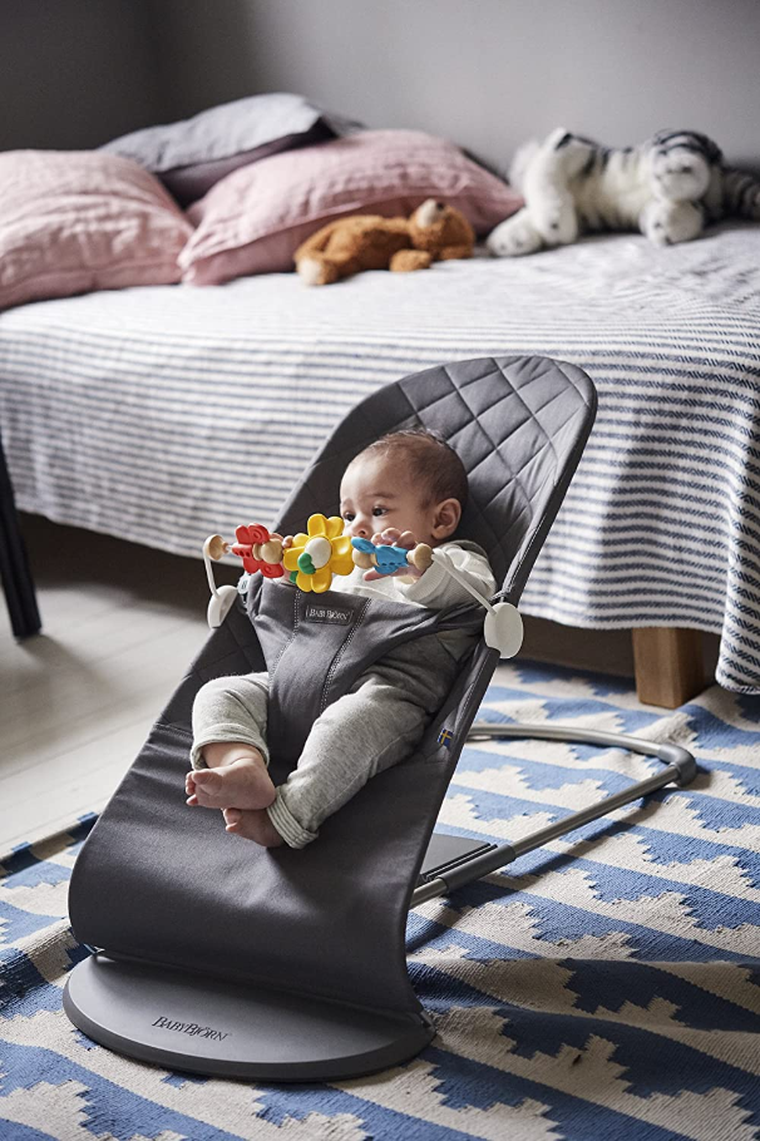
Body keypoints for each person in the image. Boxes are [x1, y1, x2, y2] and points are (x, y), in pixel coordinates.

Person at [185, 429, 496, 848]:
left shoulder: (453, 559)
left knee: (346, 730)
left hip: (388, 688)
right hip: (299, 677)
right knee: (219, 693)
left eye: (379, 509)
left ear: (441, 519)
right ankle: (243, 765)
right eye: (348, 516)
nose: (357, 527)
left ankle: (286, 818)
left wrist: (416, 571)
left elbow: (473, 593)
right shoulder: (339, 563)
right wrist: (285, 568)